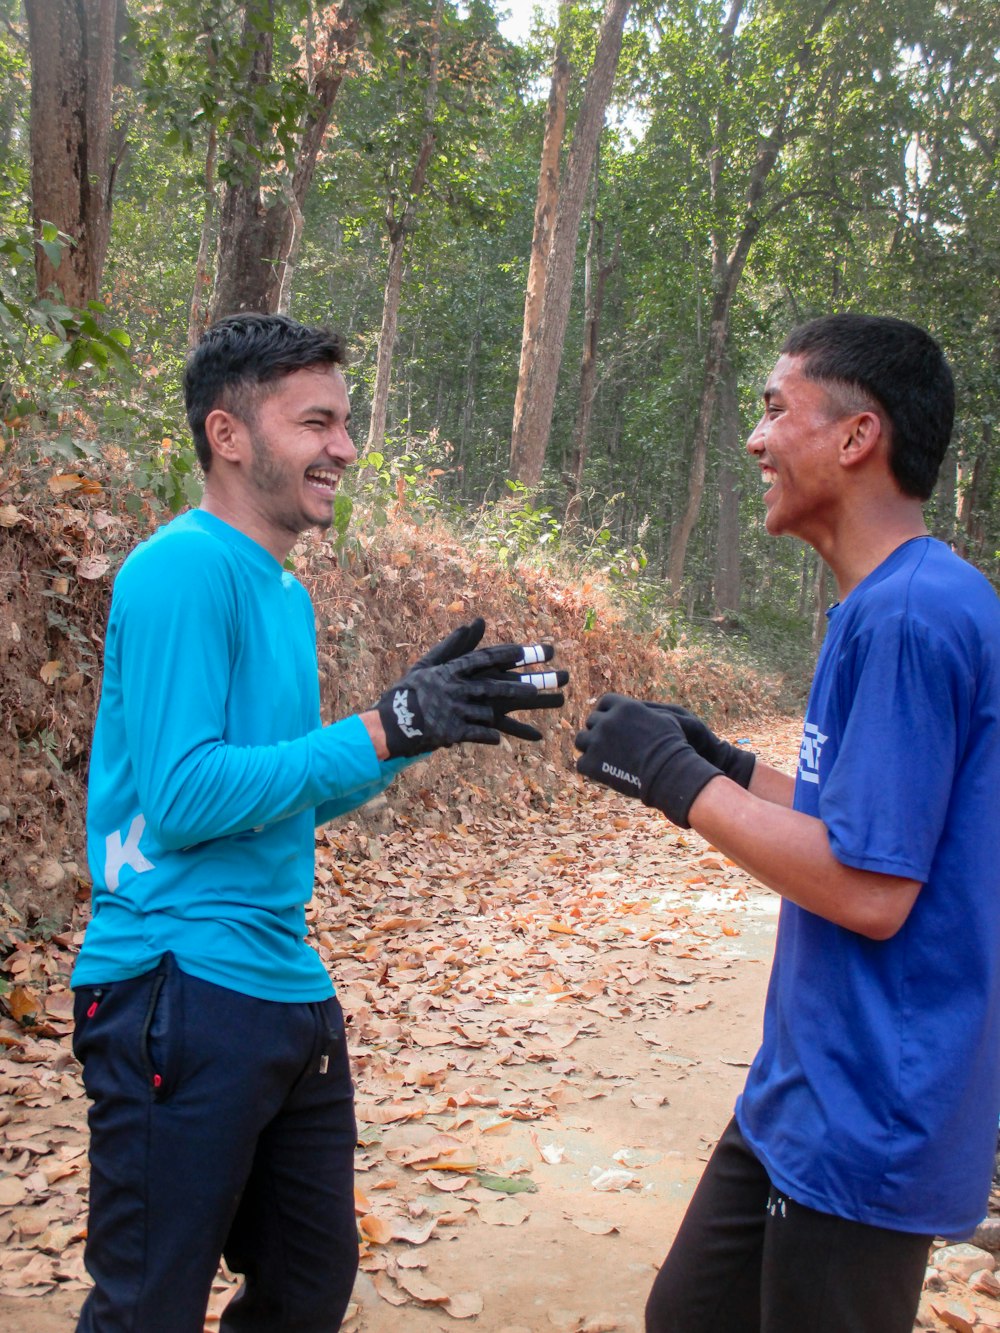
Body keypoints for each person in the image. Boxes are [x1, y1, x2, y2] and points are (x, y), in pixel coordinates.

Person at [71, 312, 567, 1332]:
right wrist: (382, 728)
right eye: (317, 422)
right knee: (147, 1306)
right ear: (229, 433)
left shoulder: (280, 591)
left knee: (305, 1284)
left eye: (346, 423)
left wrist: (412, 724)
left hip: (280, 985)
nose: (344, 447)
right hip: (173, 980)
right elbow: (186, 793)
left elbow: (287, 789)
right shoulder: (181, 571)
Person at [574, 313, 1000, 1333]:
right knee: (687, 1316)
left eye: (775, 411)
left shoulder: (909, 614)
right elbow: (859, 819)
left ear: (857, 437)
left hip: (867, 1108)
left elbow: (869, 888)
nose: (756, 441)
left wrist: (680, 783)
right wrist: (723, 765)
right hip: (804, 1091)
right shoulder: (889, 602)